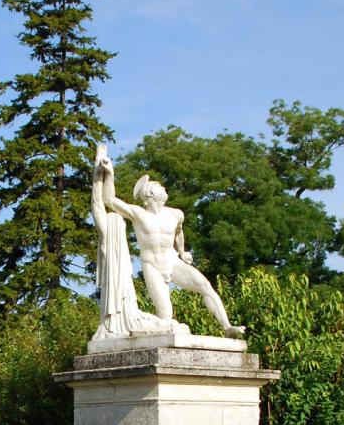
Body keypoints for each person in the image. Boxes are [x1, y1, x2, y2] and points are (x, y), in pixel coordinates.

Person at [96, 156, 245, 339]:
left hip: (172, 261)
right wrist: (109, 172)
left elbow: (179, 233)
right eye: (158, 186)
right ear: (148, 194)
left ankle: (227, 327)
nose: (163, 188)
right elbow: (109, 199)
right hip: (152, 265)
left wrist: (182, 252)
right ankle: (144, 326)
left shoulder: (176, 214)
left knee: (206, 286)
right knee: (166, 315)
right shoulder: (138, 214)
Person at [90, 145, 175, 340]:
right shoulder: (108, 230)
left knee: (159, 320)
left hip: (127, 291)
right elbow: (102, 202)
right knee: (159, 320)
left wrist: (101, 172)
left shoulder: (172, 215)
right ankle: (162, 326)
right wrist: (101, 171)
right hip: (123, 289)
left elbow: (98, 204)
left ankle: (163, 325)